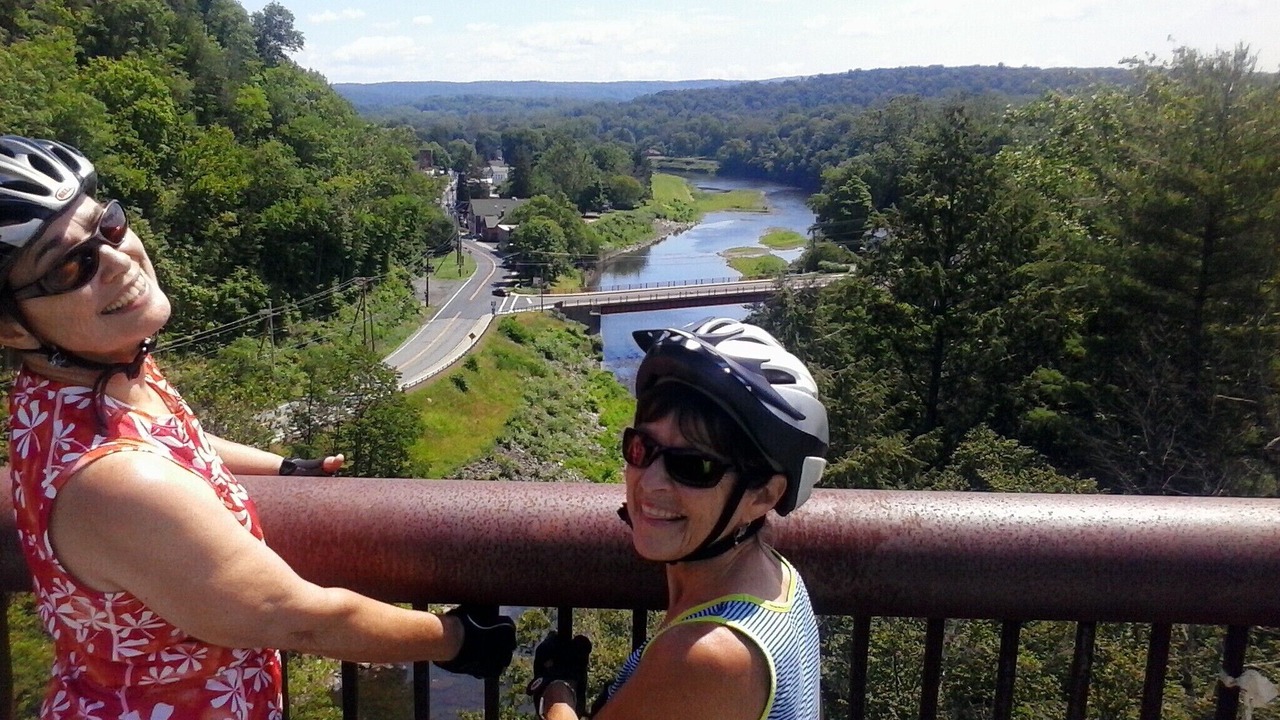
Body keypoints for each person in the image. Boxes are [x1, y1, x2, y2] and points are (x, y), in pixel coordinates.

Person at [0, 134, 516, 719]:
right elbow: (296, 618)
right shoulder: (116, 484)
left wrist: (282, 468)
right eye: (70, 265)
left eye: (109, 227)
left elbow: (179, 438)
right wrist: (458, 640)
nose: (119, 263)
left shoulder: (77, 386)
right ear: (12, 329)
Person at [526, 318, 829, 719]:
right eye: (641, 448)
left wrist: (556, 691)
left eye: (694, 466)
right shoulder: (778, 579)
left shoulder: (708, 655)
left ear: (764, 495)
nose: (649, 482)